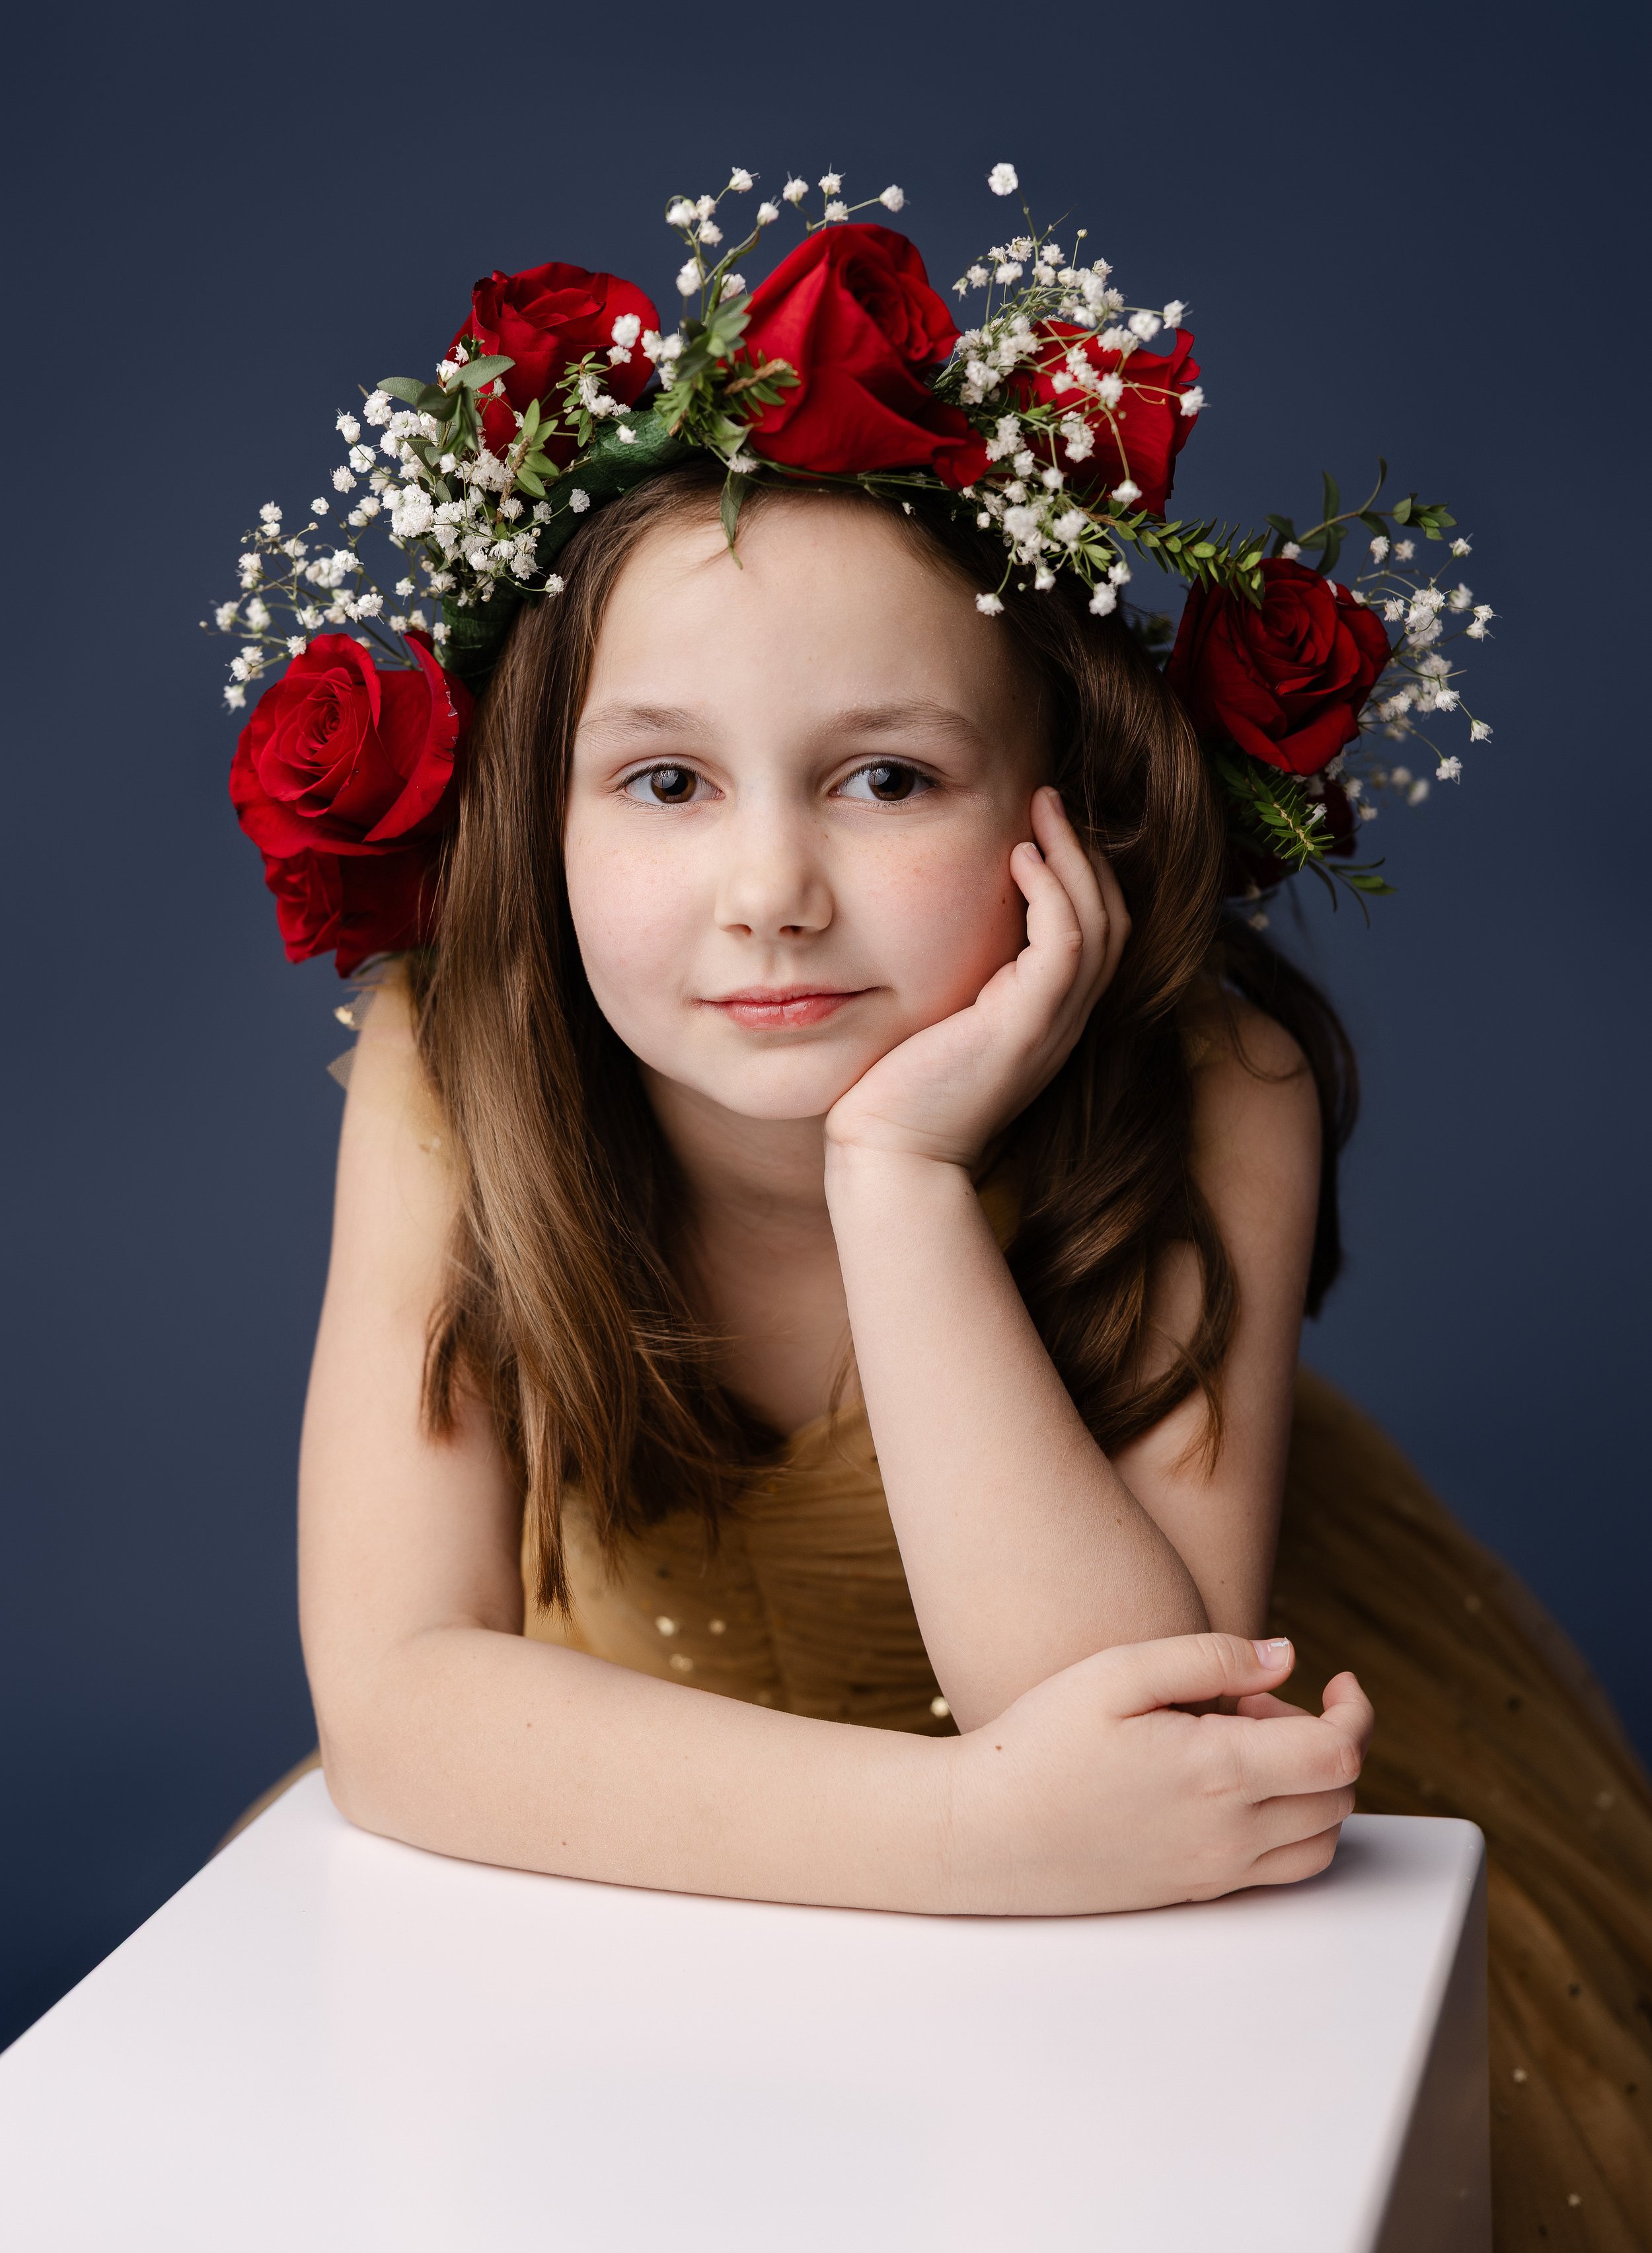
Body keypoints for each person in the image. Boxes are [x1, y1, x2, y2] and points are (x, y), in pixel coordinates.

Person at [220, 175, 1651, 2244]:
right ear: (535, 819)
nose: (769, 889)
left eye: (883, 777)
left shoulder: (1203, 1080)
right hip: (662, 1837)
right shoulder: (459, 1063)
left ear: (1060, 804)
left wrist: (898, 1178)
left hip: (1159, 1918)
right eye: (665, 781)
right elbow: (404, 1695)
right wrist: (978, 1831)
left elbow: (1130, 1725)